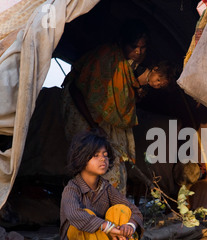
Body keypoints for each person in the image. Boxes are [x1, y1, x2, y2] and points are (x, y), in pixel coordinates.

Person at [61, 20, 175, 195]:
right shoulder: (106, 58)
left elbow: (119, 102)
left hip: (104, 126)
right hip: (85, 118)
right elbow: (77, 89)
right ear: (122, 42)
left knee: (114, 170)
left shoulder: (129, 68)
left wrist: (133, 96)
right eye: (133, 46)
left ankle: (111, 211)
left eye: (143, 48)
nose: (138, 51)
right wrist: (92, 125)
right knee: (92, 168)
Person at [56, 131, 146, 240]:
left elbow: (135, 211)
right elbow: (74, 215)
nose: (103, 159)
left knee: (120, 210)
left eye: (105, 155)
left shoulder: (106, 188)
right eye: (95, 155)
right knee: (86, 215)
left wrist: (128, 226)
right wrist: (108, 227)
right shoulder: (72, 189)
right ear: (81, 158)